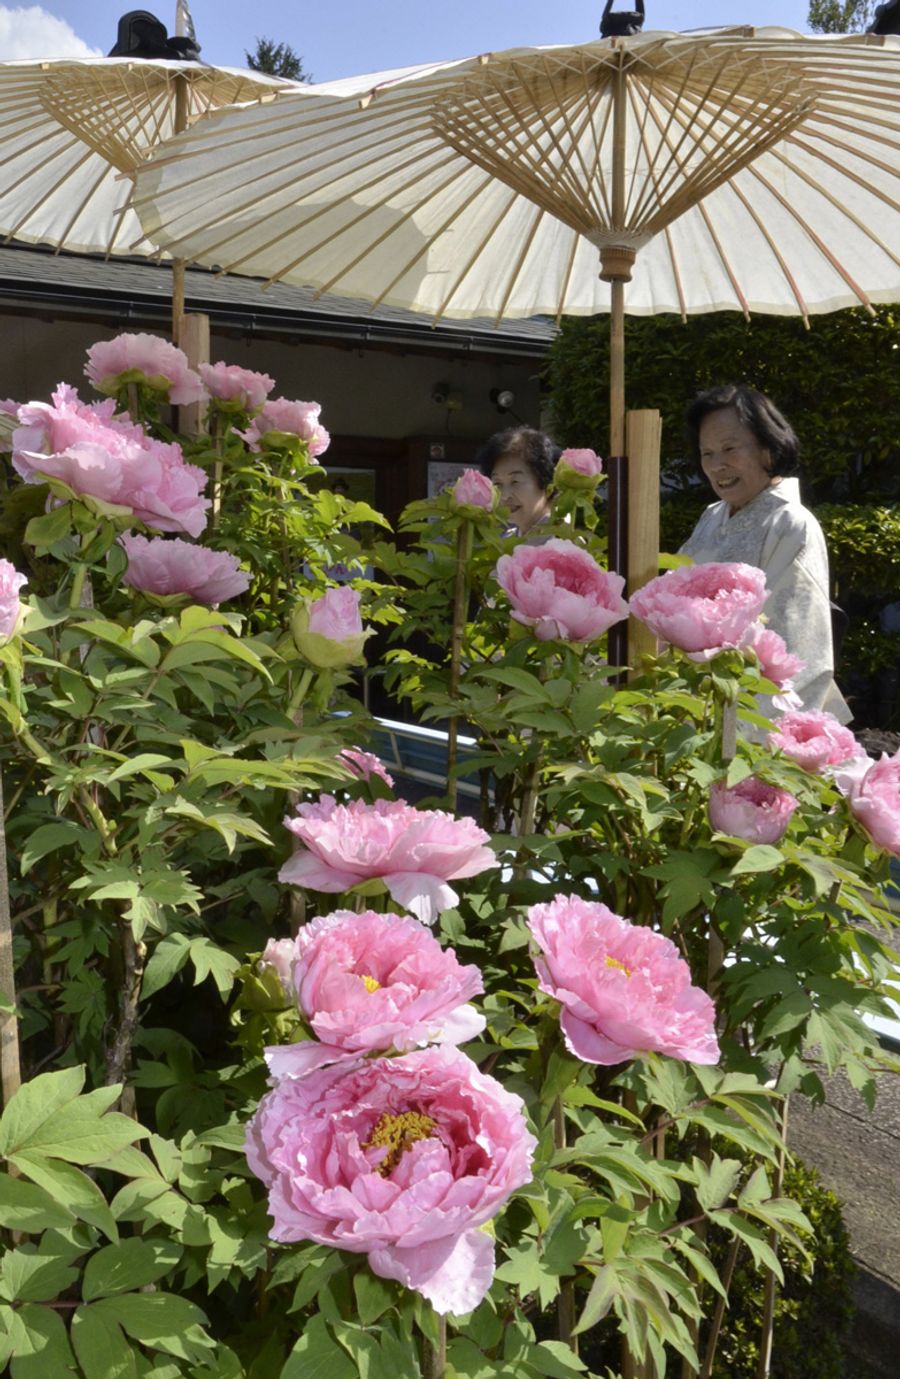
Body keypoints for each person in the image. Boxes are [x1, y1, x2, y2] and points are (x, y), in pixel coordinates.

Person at [680, 384, 851, 722]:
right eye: (707, 453)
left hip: (750, 715)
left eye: (730, 448)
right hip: (697, 704)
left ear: (767, 450)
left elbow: (796, 648)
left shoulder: (791, 523)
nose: (717, 465)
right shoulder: (712, 517)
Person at [477, 427, 560, 537]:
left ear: (547, 484)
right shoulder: (506, 538)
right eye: (497, 484)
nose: (505, 496)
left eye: (515, 482)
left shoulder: (564, 540)